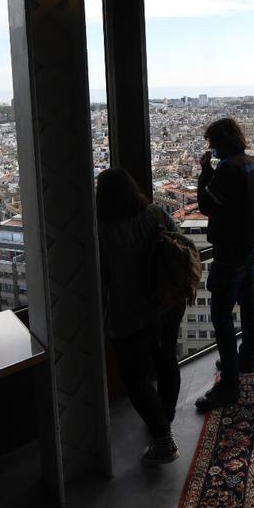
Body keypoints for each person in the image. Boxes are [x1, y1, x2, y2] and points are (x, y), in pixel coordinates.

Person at [96, 167, 184, 465]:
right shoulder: (156, 214)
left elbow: (100, 277)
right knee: (167, 361)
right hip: (167, 303)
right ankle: (163, 420)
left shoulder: (102, 231)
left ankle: (162, 435)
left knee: (135, 376)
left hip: (129, 311)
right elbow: (180, 246)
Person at [194, 117, 254, 412]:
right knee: (248, 301)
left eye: (212, 143)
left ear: (220, 142)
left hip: (229, 250)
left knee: (220, 314)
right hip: (249, 246)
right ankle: (247, 357)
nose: (211, 148)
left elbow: (206, 205)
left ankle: (230, 383)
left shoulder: (228, 169)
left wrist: (205, 173)